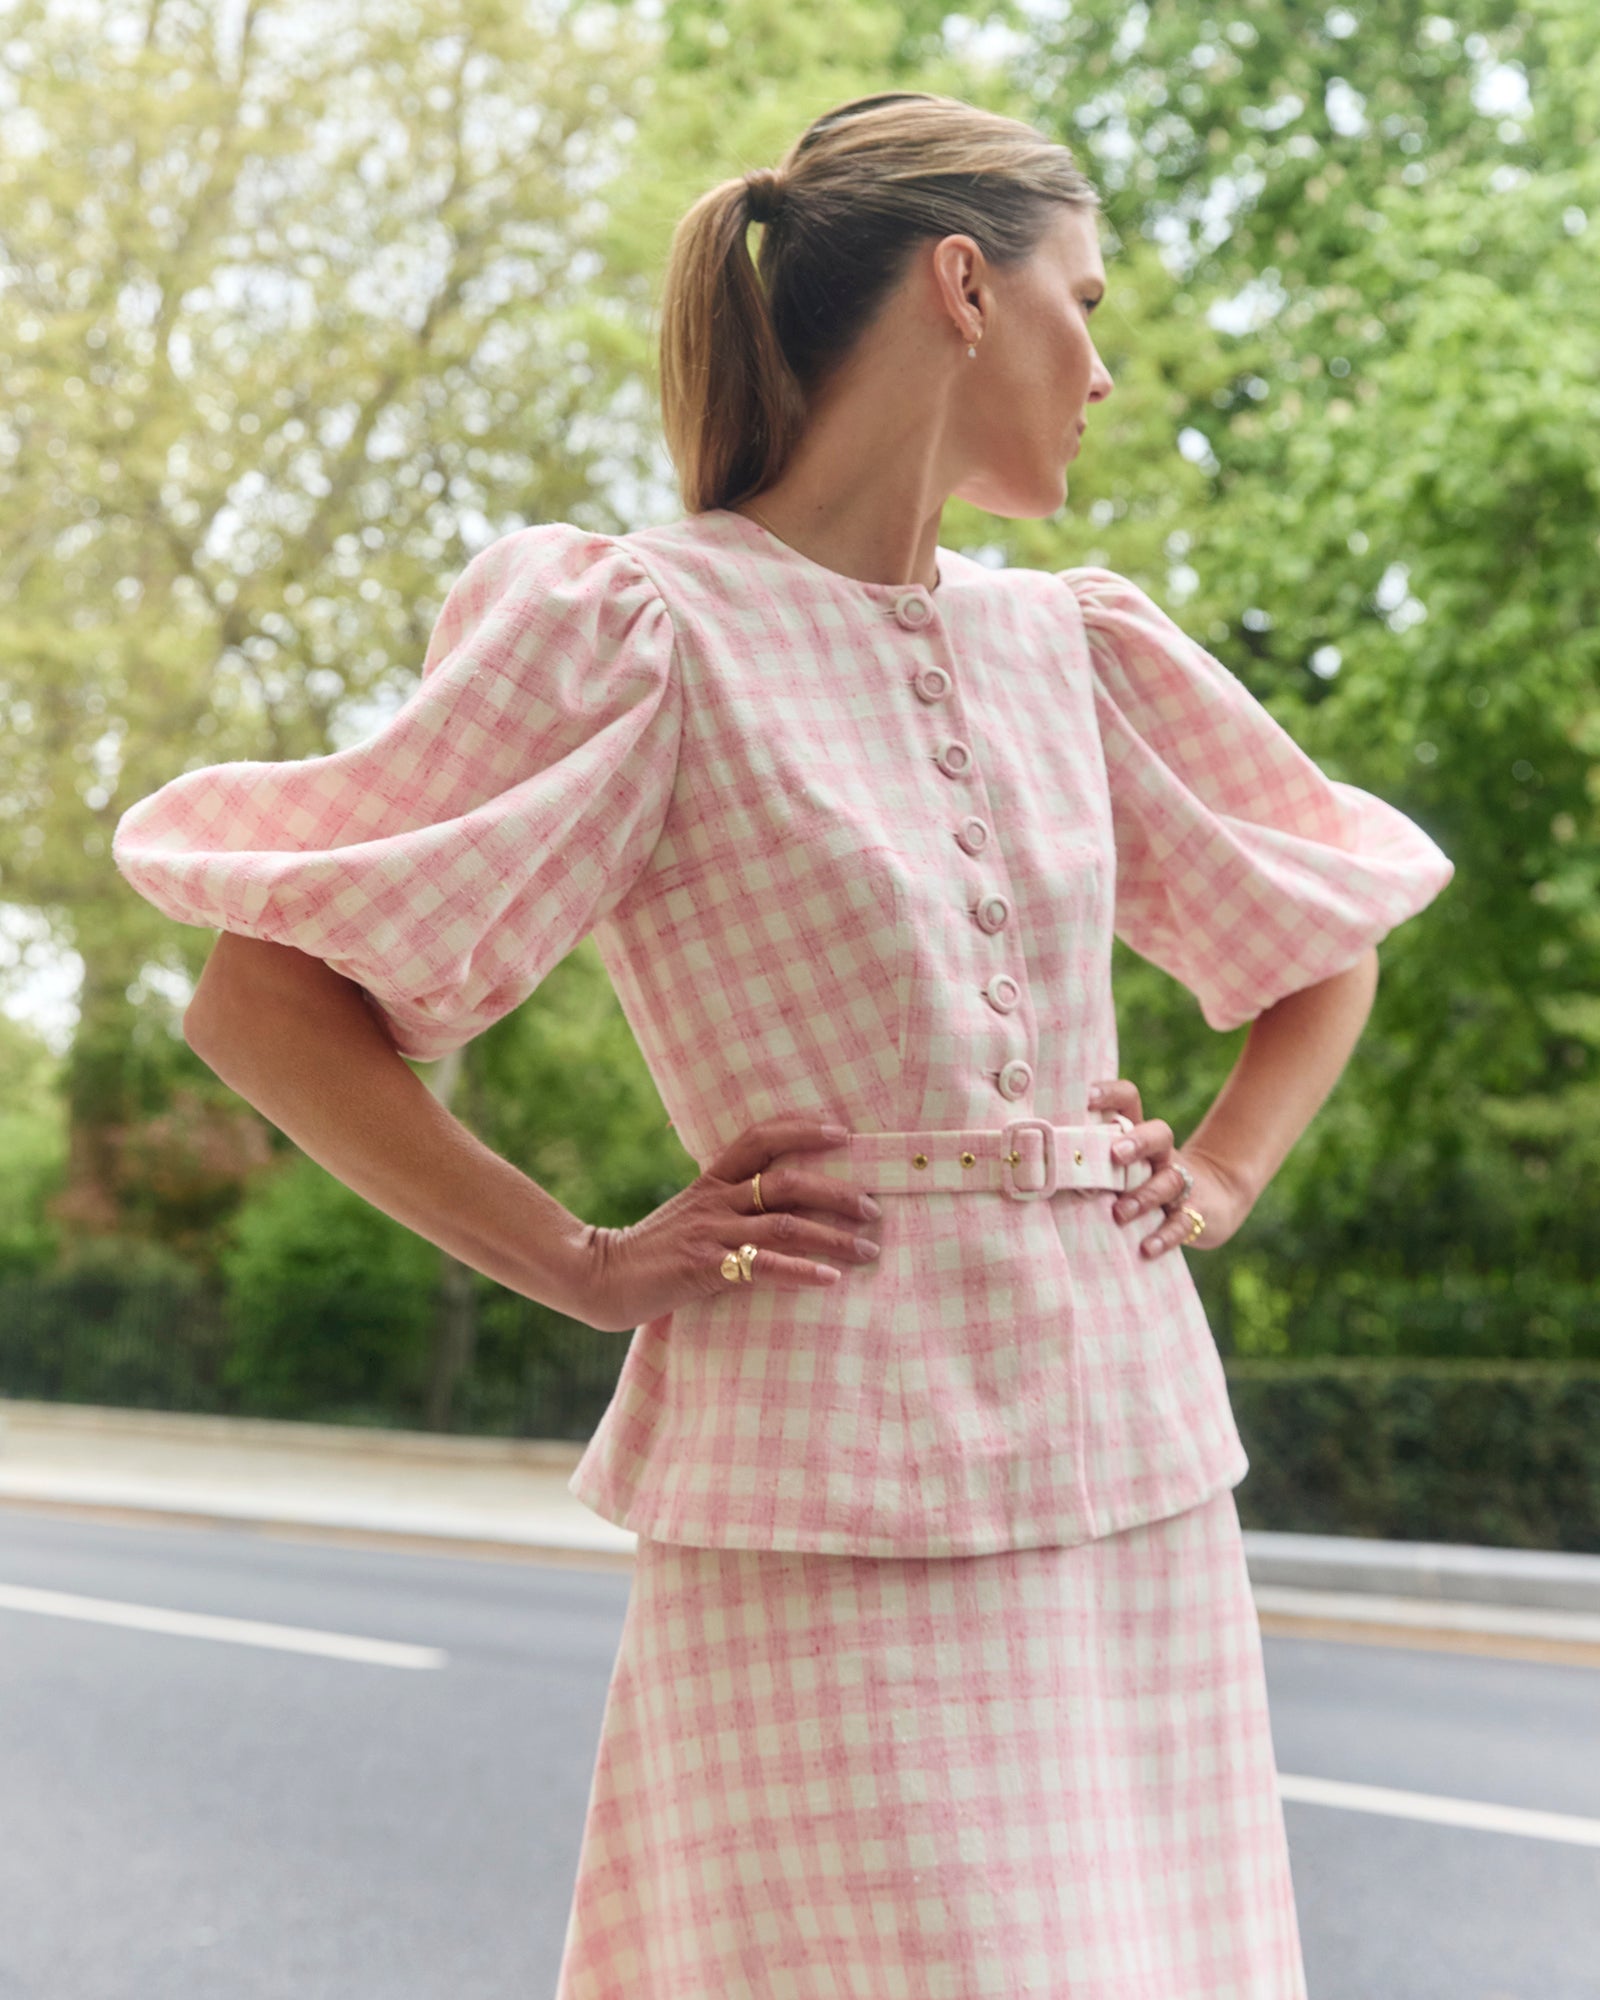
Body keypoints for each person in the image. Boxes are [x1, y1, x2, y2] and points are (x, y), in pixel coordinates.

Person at [113, 89, 1453, 2000]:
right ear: (964, 287)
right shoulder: (644, 631)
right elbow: (265, 998)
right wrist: (581, 1265)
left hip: (1137, 1465)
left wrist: (1224, 1168)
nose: (1109, 372)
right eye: (1092, 304)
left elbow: (1330, 937)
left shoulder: (1072, 644)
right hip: (821, 1478)